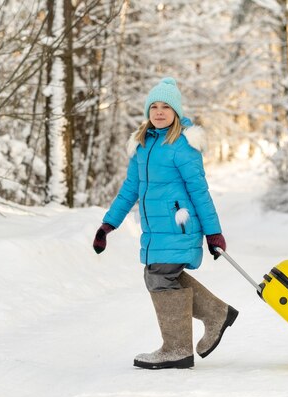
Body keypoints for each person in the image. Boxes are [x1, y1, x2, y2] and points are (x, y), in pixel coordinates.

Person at [92, 77, 238, 370]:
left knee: (159, 277)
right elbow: (130, 188)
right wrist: (108, 225)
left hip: (179, 225)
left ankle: (177, 348)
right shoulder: (142, 145)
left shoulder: (183, 145)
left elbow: (199, 191)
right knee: (159, 276)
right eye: (154, 107)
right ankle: (216, 314)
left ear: (176, 111)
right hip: (154, 229)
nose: (159, 112)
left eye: (166, 107)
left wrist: (214, 232)